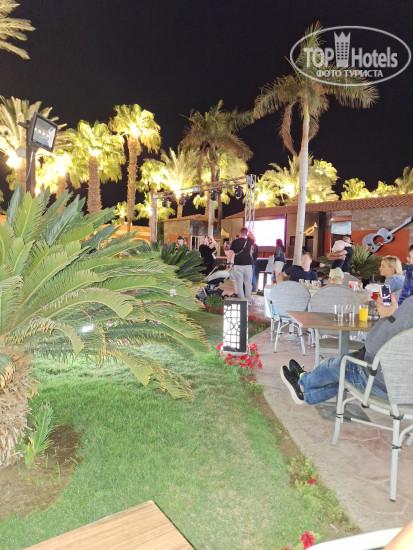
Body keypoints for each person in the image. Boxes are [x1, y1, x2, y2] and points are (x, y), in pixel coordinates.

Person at [280, 294, 413, 405]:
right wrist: (395, 318)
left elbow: (372, 345)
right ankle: (304, 393)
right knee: (345, 375)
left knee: (336, 365)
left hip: (387, 387)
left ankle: (302, 382)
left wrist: (386, 317)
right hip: (408, 392)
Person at [229, 227, 254, 305]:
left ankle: (242, 300)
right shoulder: (249, 241)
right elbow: (254, 239)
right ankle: (248, 301)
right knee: (248, 283)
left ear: (240, 233)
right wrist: (250, 231)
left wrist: (228, 262)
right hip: (248, 265)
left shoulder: (234, 242)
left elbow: (230, 253)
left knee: (239, 283)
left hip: (238, 265)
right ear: (246, 234)